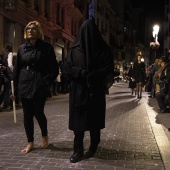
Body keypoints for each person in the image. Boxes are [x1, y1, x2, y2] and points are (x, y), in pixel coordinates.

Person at [62, 19, 114, 163]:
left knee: (94, 121)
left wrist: (95, 74)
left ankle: (94, 145)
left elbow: (109, 68)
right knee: (78, 124)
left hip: (95, 91)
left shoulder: (103, 50)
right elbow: (67, 68)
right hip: (79, 91)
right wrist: (80, 72)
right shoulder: (74, 50)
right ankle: (77, 150)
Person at [12, 21, 59, 154]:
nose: (30, 31)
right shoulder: (21, 48)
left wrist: (46, 82)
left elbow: (54, 68)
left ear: (39, 31)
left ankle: (44, 135)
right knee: (27, 115)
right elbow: (16, 69)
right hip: (24, 83)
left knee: (38, 112)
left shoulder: (47, 47)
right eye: (28, 28)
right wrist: (14, 89)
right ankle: (30, 142)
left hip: (39, 84)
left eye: (33, 29)